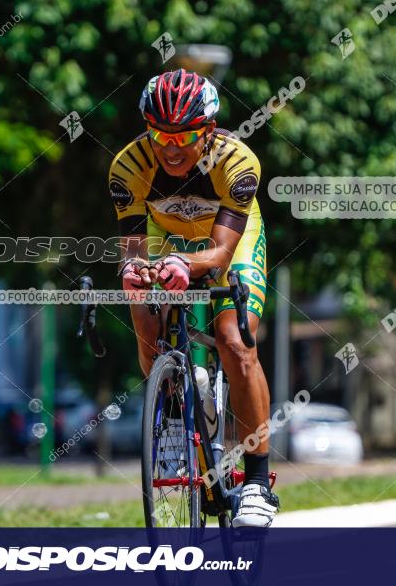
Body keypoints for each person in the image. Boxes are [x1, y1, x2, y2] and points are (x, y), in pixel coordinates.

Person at [109, 68, 278, 528]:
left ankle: (257, 483)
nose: (170, 146)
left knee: (235, 342)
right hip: (167, 235)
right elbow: (134, 248)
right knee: (144, 316)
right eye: (160, 133)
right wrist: (134, 270)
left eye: (184, 135)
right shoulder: (128, 165)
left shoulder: (237, 161)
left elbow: (222, 251)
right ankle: (178, 410)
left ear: (207, 130)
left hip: (230, 239)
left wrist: (190, 264)